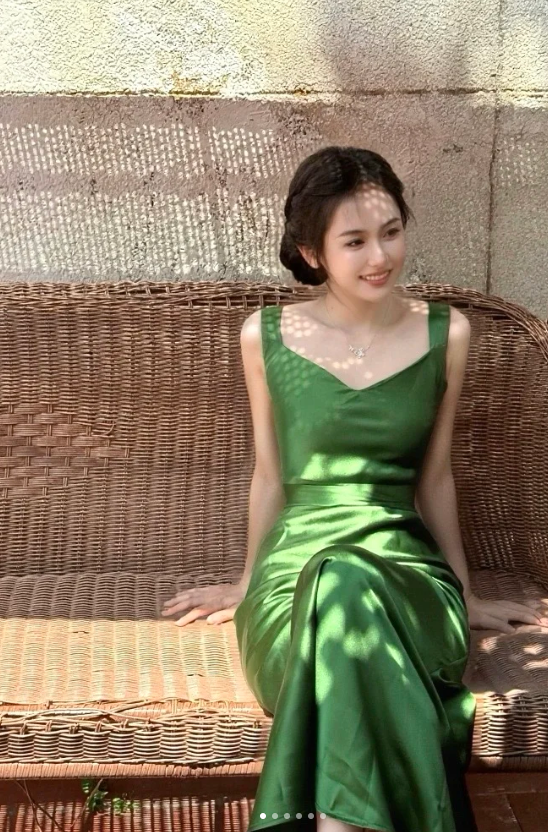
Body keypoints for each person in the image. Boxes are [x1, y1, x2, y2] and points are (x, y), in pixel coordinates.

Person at [162, 146, 548, 832]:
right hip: (294, 584)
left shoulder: (446, 333)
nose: (380, 256)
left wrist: (462, 594)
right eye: (355, 241)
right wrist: (250, 581)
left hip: (406, 577)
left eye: (391, 232)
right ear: (312, 253)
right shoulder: (267, 336)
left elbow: (435, 476)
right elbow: (270, 475)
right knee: (336, 582)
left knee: (348, 583)